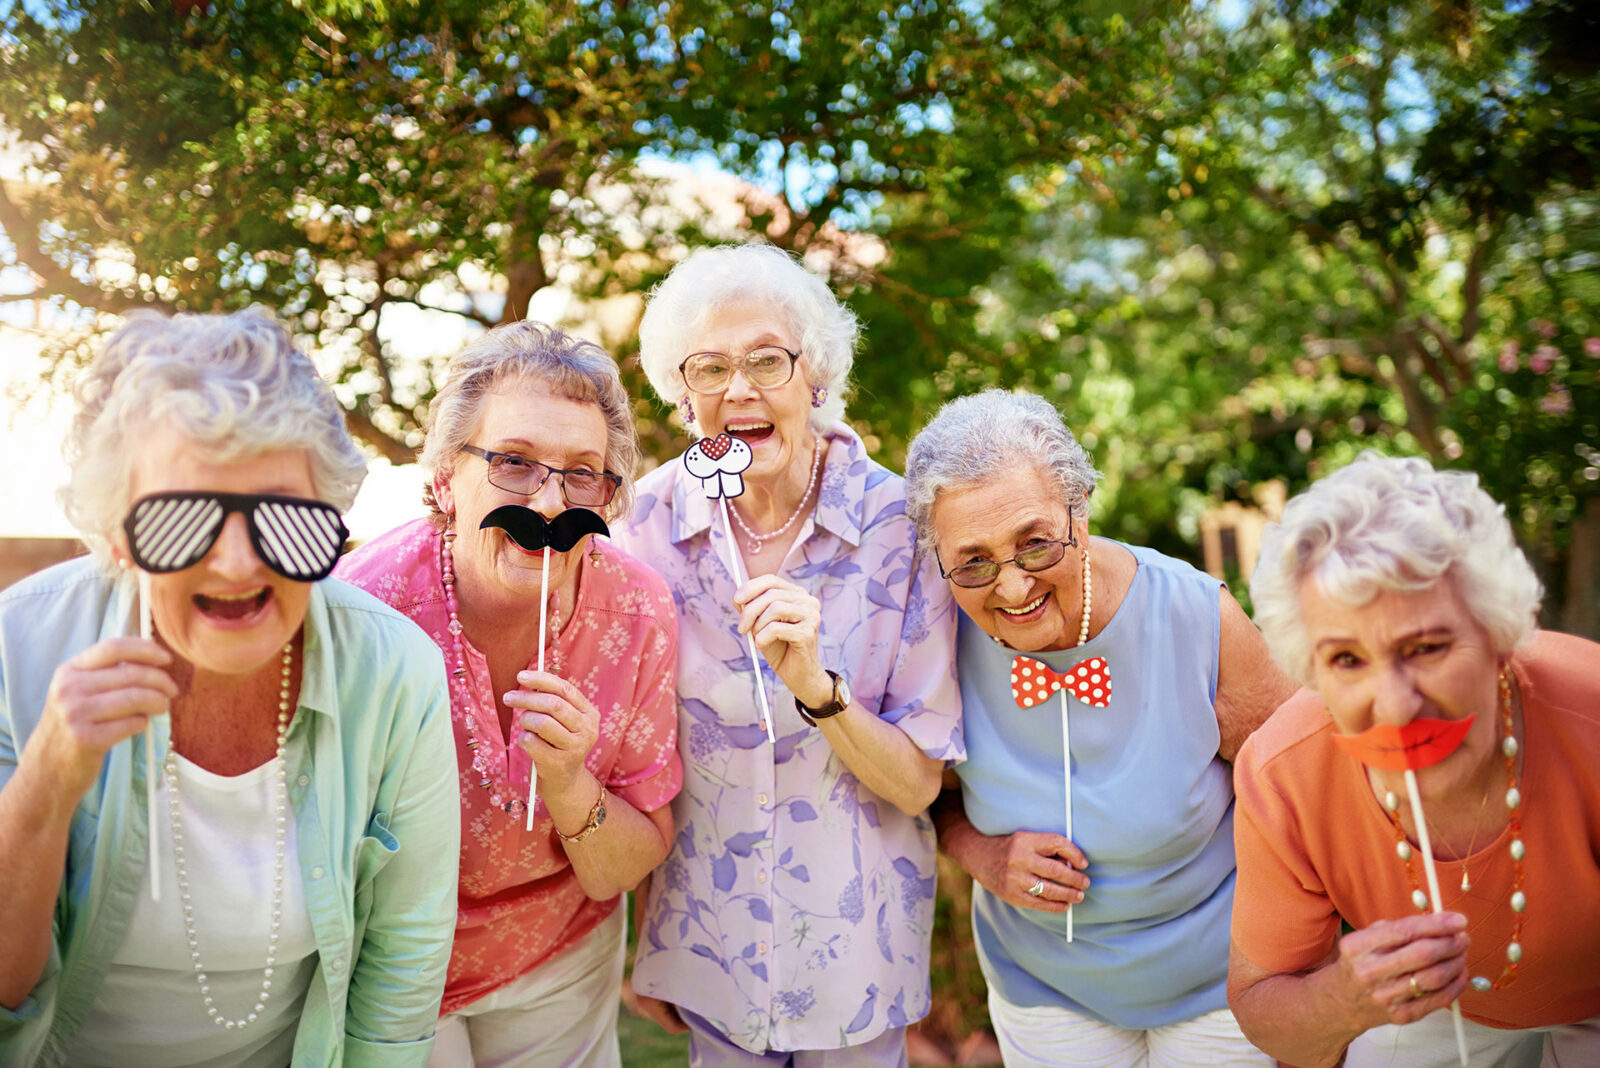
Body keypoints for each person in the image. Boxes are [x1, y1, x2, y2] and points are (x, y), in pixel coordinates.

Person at [0, 308, 459, 1067]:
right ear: (117, 534)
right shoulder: (16, 647)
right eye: (183, 519)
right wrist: (48, 781)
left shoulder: (394, 671)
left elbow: (402, 961)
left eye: (287, 520)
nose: (241, 564)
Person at [615, 242, 964, 1065]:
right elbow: (635, 751)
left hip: (857, 959)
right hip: (708, 945)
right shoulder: (649, 524)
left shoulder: (900, 526)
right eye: (708, 368)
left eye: (767, 360)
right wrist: (649, 932)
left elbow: (920, 782)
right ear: (682, 393)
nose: (739, 388)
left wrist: (820, 688)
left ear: (816, 376)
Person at [903, 389, 1293, 1067]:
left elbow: (1298, 795)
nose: (1014, 588)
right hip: (1043, 988)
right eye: (973, 561)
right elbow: (916, 790)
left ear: (1079, 512)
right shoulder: (930, 639)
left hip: (1221, 981)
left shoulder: (1199, 619)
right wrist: (981, 852)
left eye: (1035, 544)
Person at [337, 320, 681, 1067]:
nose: (552, 502)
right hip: (397, 959)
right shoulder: (361, 613)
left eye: (582, 473)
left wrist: (568, 779)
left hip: (558, 958)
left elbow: (621, 868)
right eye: (514, 463)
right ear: (443, 479)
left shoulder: (640, 612)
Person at [1229, 453, 1600, 1067]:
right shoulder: (1283, 775)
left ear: (1498, 632)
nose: (1397, 707)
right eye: (1346, 660)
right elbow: (1266, 1010)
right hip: (1436, 1015)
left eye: (1426, 647)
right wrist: (1347, 1001)